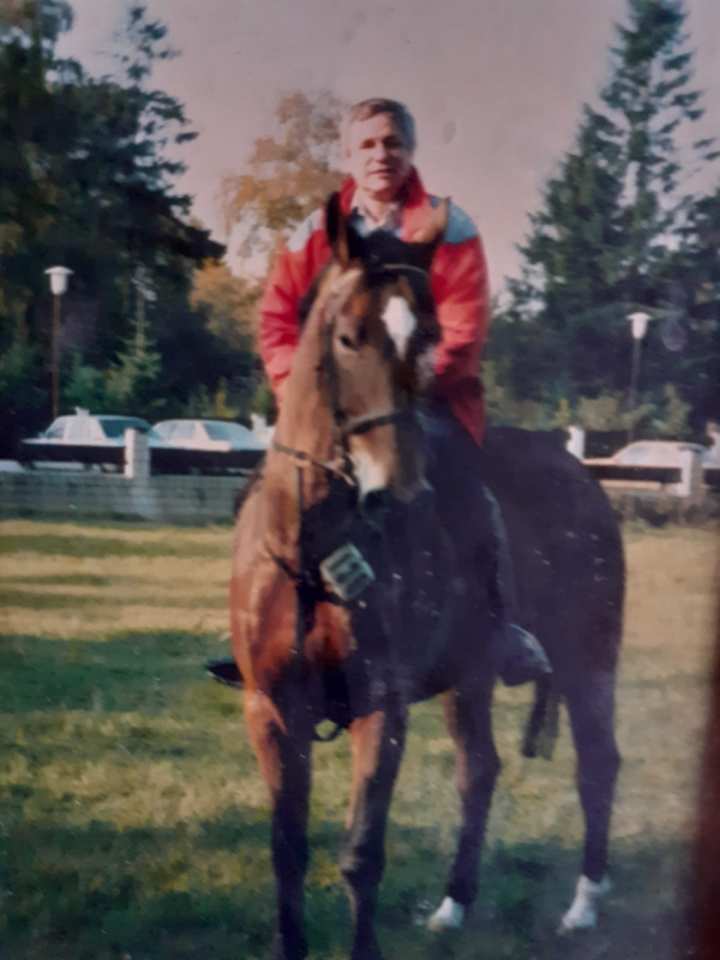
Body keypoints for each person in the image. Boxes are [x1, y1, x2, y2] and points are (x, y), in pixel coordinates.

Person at [216, 97, 550, 687]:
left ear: (411, 151)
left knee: (469, 497)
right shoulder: (316, 230)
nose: (381, 155)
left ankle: (499, 630)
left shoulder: (449, 225)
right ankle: (253, 628)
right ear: (348, 155)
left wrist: (398, 386)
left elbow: (465, 328)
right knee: (263, 495)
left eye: (392, 142)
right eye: (367, 144)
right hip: (334, 411)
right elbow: (275, 321)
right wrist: (307, 394)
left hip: (429, 404)